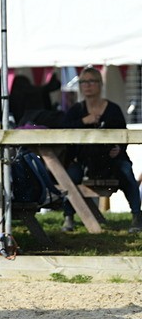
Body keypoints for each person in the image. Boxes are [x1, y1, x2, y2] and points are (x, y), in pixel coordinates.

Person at [60, 67, 142, 233]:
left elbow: (123, 135)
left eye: (91, 81)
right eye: (83, 82)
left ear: (100, 84)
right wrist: (84, 121)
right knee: (68, 176)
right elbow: (63, 131)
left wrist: (119, 149)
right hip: (83, 161)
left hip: (111, 161)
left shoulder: (113, 109)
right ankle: (68, 217)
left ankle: (137, 217)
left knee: (126, 171)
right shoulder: (76, 110)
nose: (87, 85)